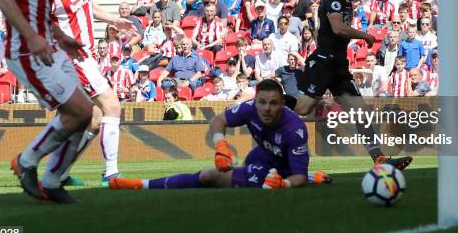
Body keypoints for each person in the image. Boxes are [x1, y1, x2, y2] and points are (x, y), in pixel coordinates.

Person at [0, 0, 94, 204]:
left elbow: (38, 7)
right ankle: (25, 162)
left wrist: (59, 36)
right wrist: (33, 37)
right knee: (79, 111)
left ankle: (52, 179)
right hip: (27, 51)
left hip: (50, 46)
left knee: (85, 114)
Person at [288, 0, 411, 169]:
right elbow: (337, 27)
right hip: (325, 62)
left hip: (338, 64)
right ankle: (259, 102)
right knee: (303, 107)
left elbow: (321, 30)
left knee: (360, 111)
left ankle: (379, 160)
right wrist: (366, 36)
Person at [110, 79, 332, 190]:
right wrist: (221, 145)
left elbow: (298, 176)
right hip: (260, 156)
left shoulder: (295, 129)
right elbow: (218, 120)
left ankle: (141, 183)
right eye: (261, 102)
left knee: (209, 176)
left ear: (283, 104)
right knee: (250, 161)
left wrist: (284, 185)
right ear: (255, 100)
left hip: (280, 170)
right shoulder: (248, 108)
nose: (266, 108)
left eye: (273, 103)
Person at [49, 0, 137, 186]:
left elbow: (89, 6)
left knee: (95, 119)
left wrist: (113, 20)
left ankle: (57, 172)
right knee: (112, 106)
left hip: (88, 55)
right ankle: (111, 174)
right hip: (73, 57)